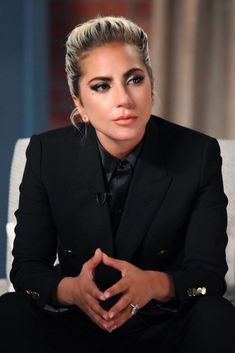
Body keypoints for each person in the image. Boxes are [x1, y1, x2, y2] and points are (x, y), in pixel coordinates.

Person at [0, 15, 235, 353]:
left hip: (162, 323)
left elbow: (209, 275)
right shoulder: (45, 153)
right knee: (11, 311)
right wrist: (72, 290)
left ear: (151, 86)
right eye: (101, 86)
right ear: (79, 103)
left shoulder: (198, 153)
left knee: (217, 315)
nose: (123, 98)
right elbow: (26, 268)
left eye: (134, 79)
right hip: (75, 322)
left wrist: (153, 284)